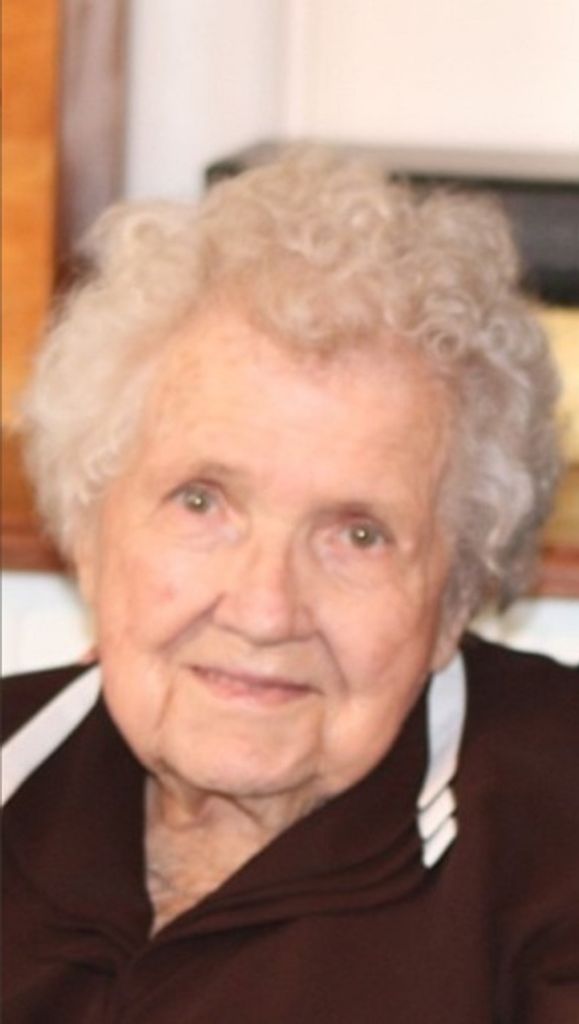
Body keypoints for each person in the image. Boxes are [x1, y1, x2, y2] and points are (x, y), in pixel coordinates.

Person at [2, 147, 578, 1024]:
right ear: (89, 533)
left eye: (357, 535)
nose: (264, 610)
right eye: (202, 502)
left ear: (454, 594)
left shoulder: (551, 840)